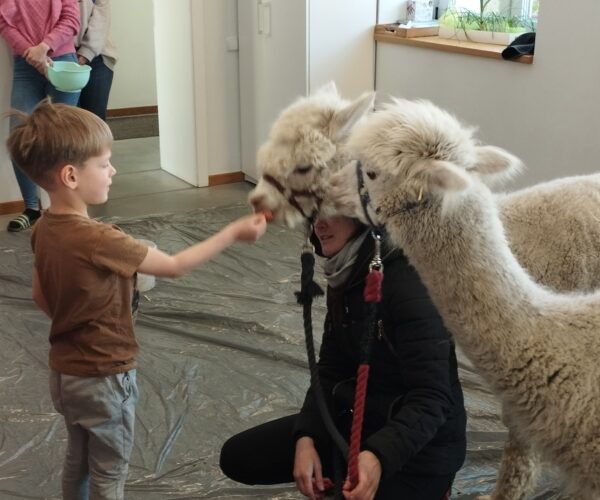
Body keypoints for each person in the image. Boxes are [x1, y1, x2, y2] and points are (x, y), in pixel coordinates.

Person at [5, 101, 268, 499]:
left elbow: (40, 295)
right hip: (105, 377)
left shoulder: (44, 230)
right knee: (109, 473)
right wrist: (231, 233)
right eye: (105, 163)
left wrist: (77, 318)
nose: (113, 171)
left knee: (78, 459)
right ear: (71, 175)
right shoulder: (100, 239)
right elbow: (176, 265)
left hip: (64, 374)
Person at [220, 216, 467, 500]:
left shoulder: (410, 285)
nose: (319, 224)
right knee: (240, 456)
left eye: (331, 210)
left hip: (421, 454)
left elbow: (432, 398)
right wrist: (307, 437)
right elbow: (329, 369)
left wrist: (377, 457)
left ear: (361, 215)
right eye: (314, 212)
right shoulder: (348, 270)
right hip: (358, 423)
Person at [0, 0, 81, 232]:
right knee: (20, 136)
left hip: (63, 60)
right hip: (25, 63)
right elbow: (3, 22)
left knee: (65, 140)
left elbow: (71, 19)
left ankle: (68, 210)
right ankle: (32, 209)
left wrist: (44, 46)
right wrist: (31, 52)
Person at [76, 0, 118, 121]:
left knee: (95, 120)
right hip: (59, 55)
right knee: (69, 123)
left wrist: (86, 52)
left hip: (98, 55)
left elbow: (102, 15)